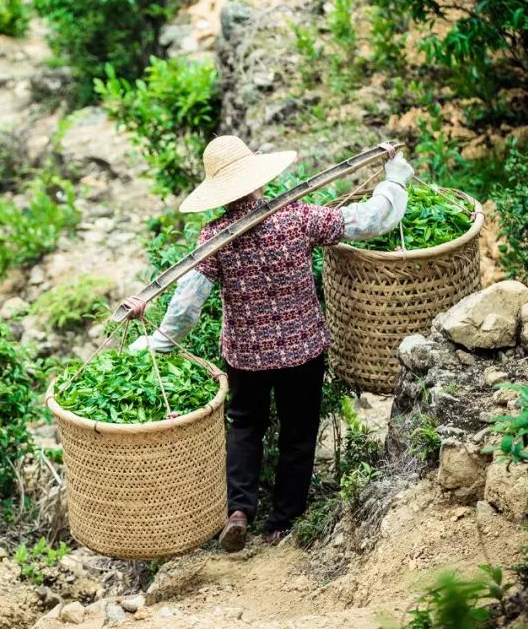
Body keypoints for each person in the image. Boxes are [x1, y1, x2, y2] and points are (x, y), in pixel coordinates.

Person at [129, 135, 414, 552]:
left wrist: (160, 340)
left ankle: (240, 510)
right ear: (257, 178)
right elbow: (368, 221)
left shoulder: (215, 237)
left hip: (246, 356)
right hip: (303, 351)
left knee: (245, 426)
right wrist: (393, 179)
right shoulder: (296, 217)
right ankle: (282, 522)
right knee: (298, 432)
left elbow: (188, 302)